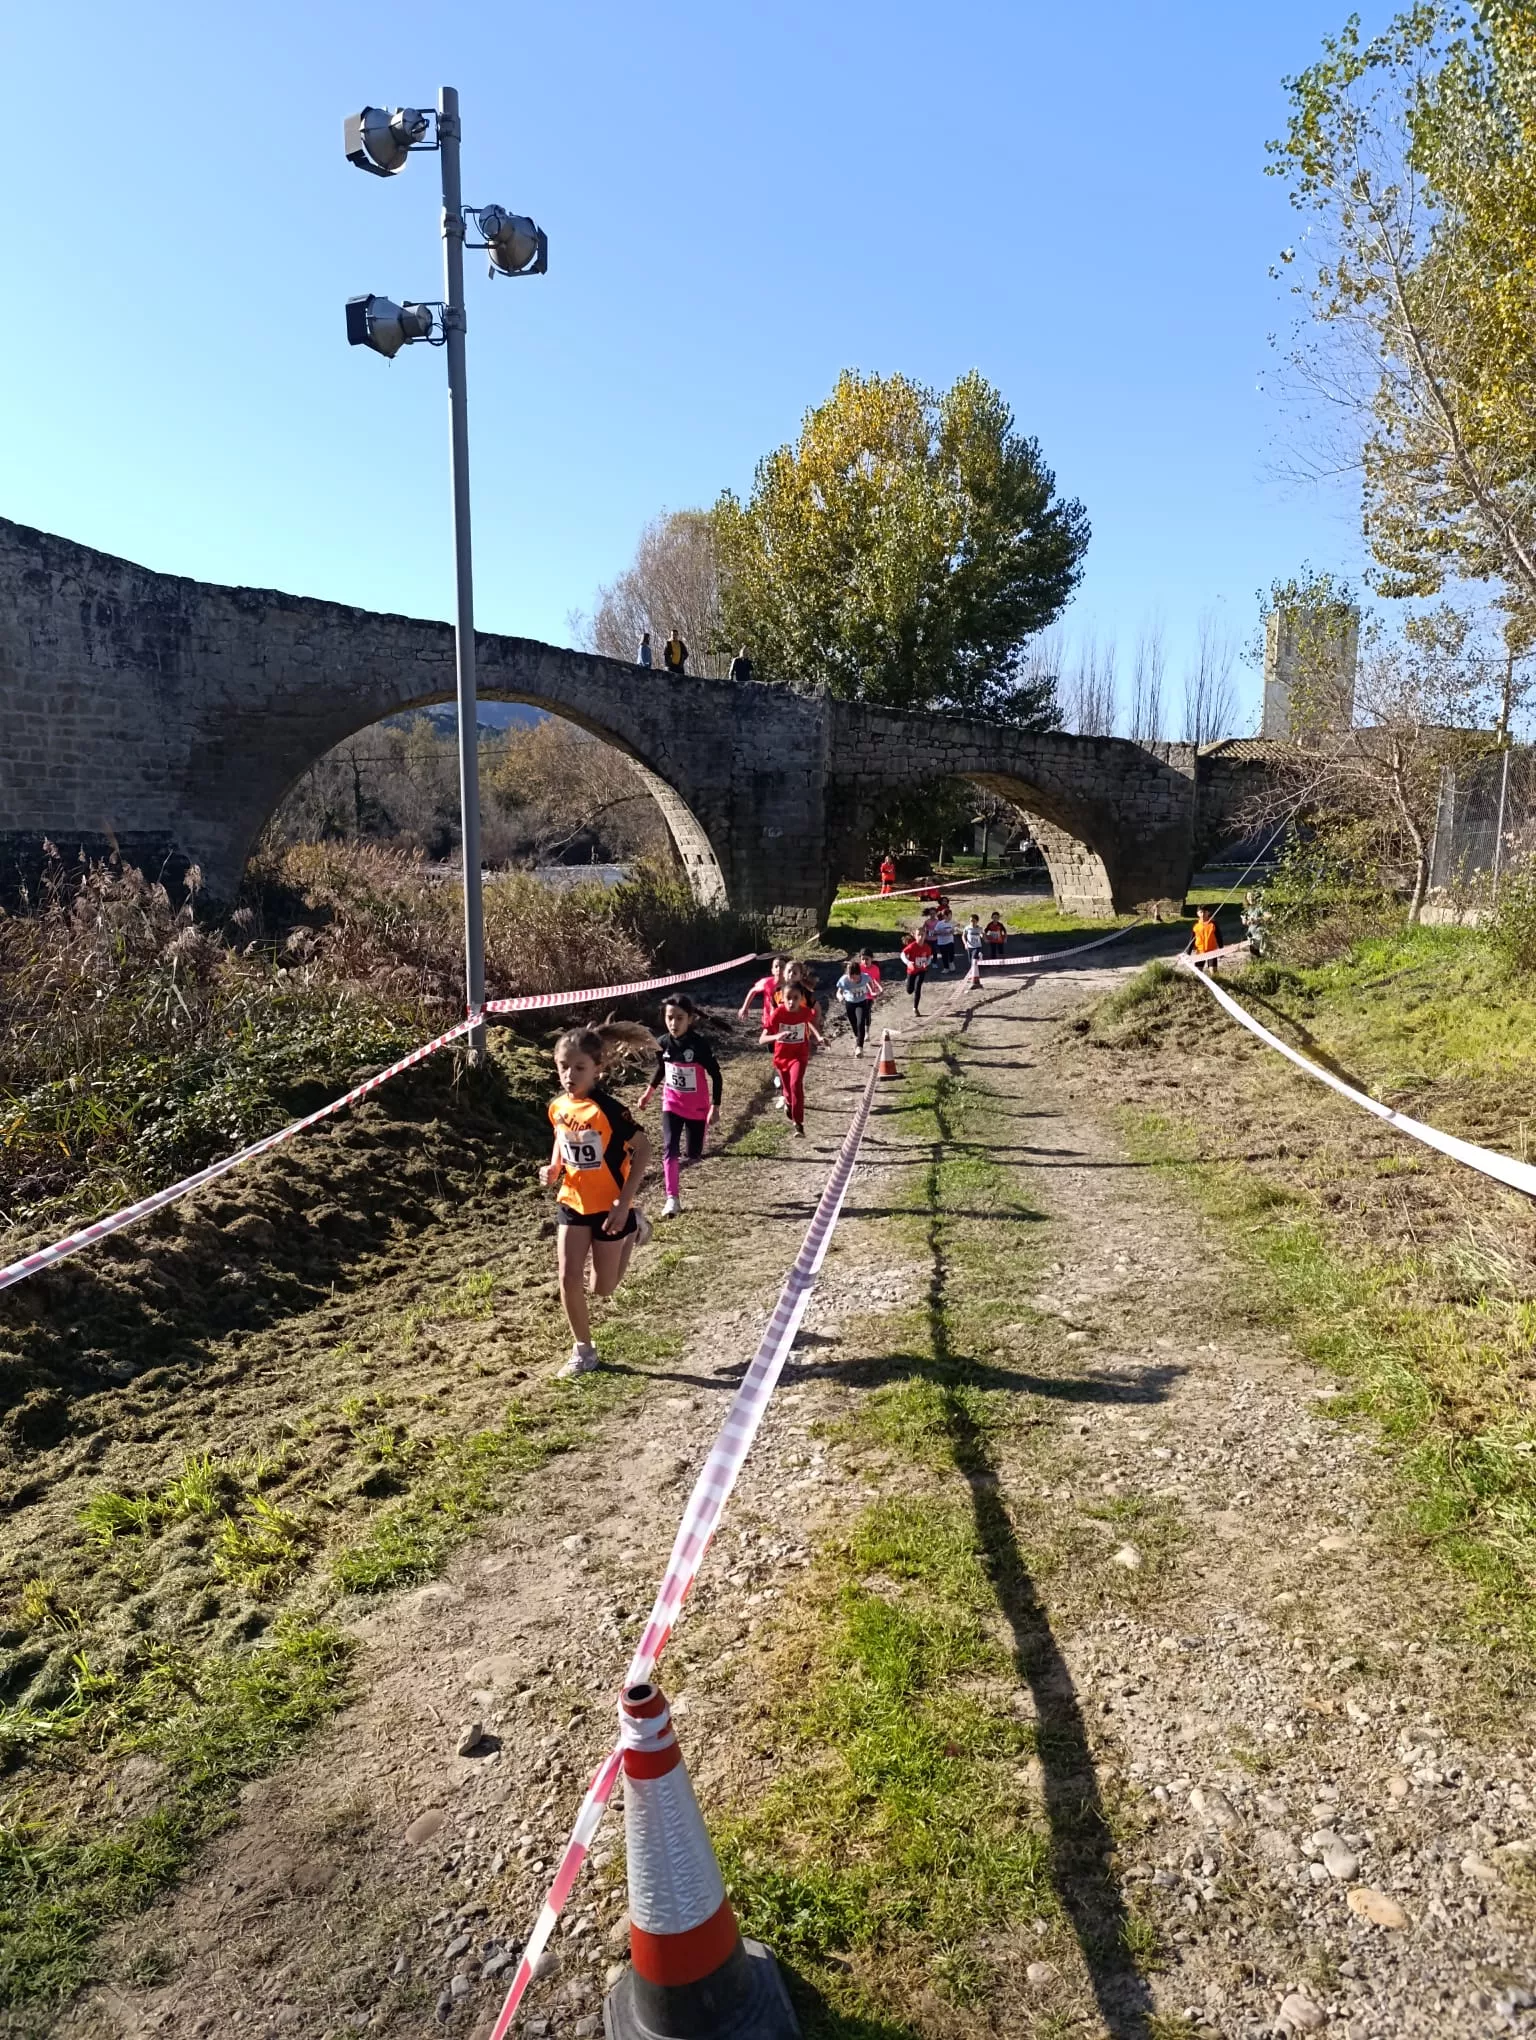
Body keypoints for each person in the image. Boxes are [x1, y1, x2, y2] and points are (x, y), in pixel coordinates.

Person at [541, 1024, 654, 1378]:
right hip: (572, 1201)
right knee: (568, 1276)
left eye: (578, 1068)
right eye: (563, 1066)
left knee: (602, 1289)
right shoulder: (557, 1105)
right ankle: (584, 1352)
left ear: (597, 1069)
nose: (569, 1075)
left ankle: (634, 1228)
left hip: (610, 1208)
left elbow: (645, 1148)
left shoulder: (609, 1110)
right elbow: (563, 1135)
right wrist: (555, 1166)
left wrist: (624, 1203)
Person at [637, 996, 722, 1218]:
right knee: (669, 1148)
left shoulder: (699, 1044)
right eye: (670, 1018)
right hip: (671, 1103)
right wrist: (649, 1093)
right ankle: (672, 1198)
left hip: (697, 1108)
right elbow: (662, 1068)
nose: (674, 1023)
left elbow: (716, 1075)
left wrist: (716, 1106)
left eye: (679, 1018)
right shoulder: (662, 1043)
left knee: (693, 1153)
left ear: (690, 1019)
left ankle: (698, 1138)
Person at [760, 979, 822, 1135]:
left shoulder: (805, 1012)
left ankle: (798, 1123)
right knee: (787, 1090)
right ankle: (788, 1102)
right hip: (782, 1058)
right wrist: (777, 1036)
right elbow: (762, 1039)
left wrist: (819, 1037)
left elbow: (810, 1022)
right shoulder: (777, 1014)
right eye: (788, 997)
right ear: (782, 997)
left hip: (799, 1055)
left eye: (795, 998)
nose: (791, 1001)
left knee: (796, 1084)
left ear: (801, 998)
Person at [835, 953, 877, 1057]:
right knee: (854, 1024)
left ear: (859, 974)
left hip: (862, 1003)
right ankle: (858, 1038)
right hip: (850, 1004)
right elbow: (838, 992)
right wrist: (840, 996)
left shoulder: (865, 977)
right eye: (851, 977)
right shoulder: (844, 980)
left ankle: (859, 1048)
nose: (854, 980)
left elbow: (871, 983)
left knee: (860, 1023)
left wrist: (872, 991)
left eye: (856, 977)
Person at [901, 924, 933, 1016]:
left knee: (918, 986)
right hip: (911, 971)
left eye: (922, 935)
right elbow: (902, 954)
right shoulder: (912, 946)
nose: (920, 937)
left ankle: (915, 1008)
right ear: (915, 936)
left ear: (925, 936)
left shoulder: (927, 947)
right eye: (918, 934)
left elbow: (929, 957)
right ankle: (908, 983)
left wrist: (927, 963)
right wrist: (908, 963)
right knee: (910, 990)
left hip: (921, 970)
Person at [930, 906, 956, 975]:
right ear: (945, 916)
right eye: (949, 915)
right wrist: (942, 932)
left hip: (950, 941)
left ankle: (951, 963)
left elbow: (954, 931)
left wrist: (952, 931)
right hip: (942, 943)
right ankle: (946, 968)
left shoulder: (952, 922)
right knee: (944, 956)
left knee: (951, 954)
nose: (951, 916)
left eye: (951, 915)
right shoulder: (940, 923)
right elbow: (934, 932)